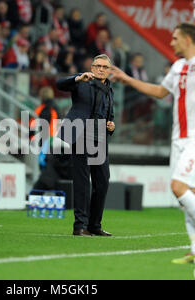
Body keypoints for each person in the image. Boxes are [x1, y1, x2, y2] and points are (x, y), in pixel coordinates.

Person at [111, 22, 195, 263]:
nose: (171, 42)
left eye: (175, 38)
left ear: (188, 39)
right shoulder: (177, 66)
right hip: (179, 138)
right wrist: (127, 80)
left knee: (178, 186)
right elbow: (159, 92)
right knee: (188, 194)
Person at [56, 54, 115, 237]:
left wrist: (111, 125)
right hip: (80, 134)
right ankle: (80, 226)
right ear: (92, 66)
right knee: (82, 181)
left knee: (103, 181)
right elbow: (60, 84)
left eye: (104, 67)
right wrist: (77, 77)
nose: (100, 69)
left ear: (109, 70)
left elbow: (108, 115)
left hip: (100, 138)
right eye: (97, 65)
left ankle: (94, 225)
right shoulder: (83, 81)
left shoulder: (109, 89)